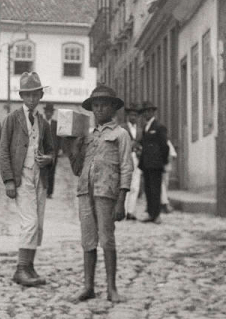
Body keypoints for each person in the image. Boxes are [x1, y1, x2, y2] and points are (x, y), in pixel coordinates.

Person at [66, 85, 133, 303]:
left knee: (107, 239)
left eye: (104, 105)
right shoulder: (88, 137)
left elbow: (126, 167)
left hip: (107, 193)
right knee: (88, 240)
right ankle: (88, 286)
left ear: (113, 107)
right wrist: (73, 150)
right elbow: (77, 170)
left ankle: (112, 288)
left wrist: (121, 200)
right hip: (86, 192)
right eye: (95, 105)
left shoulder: (121, 134)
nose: (99, 109)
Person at [0, 72, 57, 287]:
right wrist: (8, 180)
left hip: (39, 177)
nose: (31, 99)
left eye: (35, 95)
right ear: (22, 96)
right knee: (29, 222)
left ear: (40, 95)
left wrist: (47, 159)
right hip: (21, 176)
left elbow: (51, 150)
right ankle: (20, 269)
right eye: (27, 95)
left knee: (38, 223)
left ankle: (29, 266)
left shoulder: (43, 122)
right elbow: (3, 151)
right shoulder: (12, 119)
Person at [131, 100, 170, 223]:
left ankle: (157, 215)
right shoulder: (146, 128)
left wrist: (162, 162)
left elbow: (165, 146)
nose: (146, 114)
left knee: (156, 189)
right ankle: (151, 213)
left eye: (148, 111)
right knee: (148, 189)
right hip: (146, 163)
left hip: (156, 164)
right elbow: (144, 144)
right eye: (144, 112)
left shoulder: (159, 127)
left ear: (153, 112)